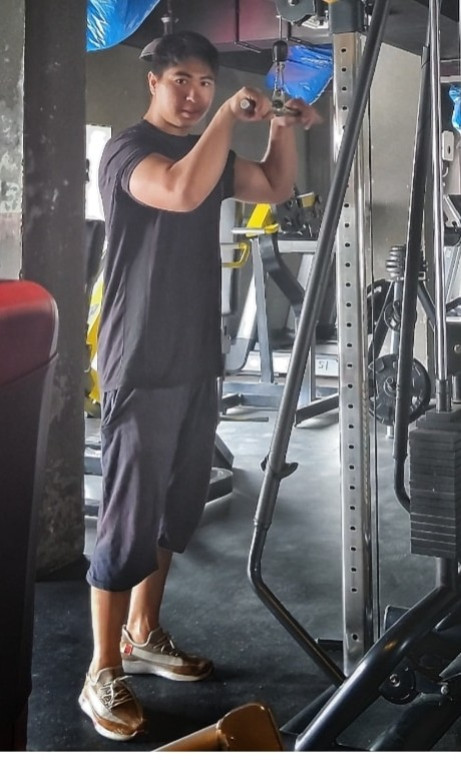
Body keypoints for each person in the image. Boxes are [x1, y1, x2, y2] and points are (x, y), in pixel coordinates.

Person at [79, 30, 322, 741]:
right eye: (180, 80)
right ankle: (101, 669)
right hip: (140, 355)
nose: (193, 94)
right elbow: (182, 191)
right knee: (127, 516)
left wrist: (283, 125)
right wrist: (222, 121)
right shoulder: (128, 151)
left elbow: (275, 186)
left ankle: (143, 632)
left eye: (205, 83)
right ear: (153, 83)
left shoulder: (208, 155)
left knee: (174, 508)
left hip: (194, 356)